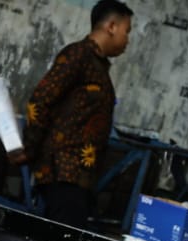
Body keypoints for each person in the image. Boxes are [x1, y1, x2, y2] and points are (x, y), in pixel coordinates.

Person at [13, 0, 133, 228]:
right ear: (111, 26)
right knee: (56, 239)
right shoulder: (78, 55)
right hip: (63, 172)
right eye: (127, 31)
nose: (128, 40)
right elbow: (41, 100)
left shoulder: (99, 66)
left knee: (60, 238)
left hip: (79, 177)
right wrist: (29, 148)